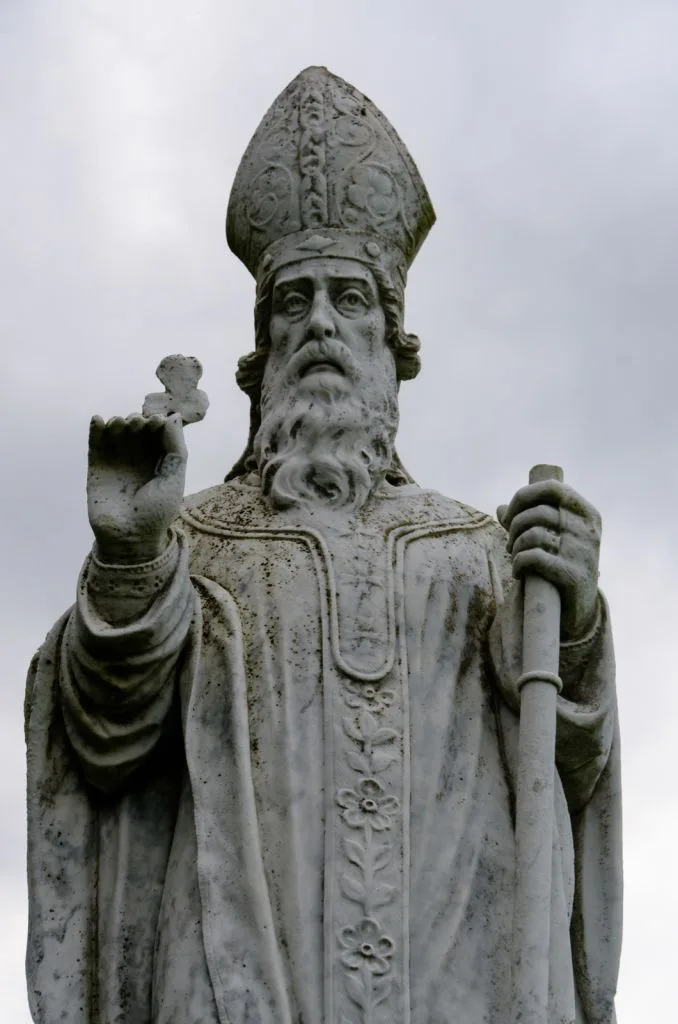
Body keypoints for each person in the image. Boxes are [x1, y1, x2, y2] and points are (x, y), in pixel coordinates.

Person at [25, 67, 621, 1024]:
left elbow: (566, 763)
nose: (321, 324)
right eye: (292, 303)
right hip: (234, 959)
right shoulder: (201, 541)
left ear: (394, 348)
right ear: (261, 358)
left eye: (350, 299)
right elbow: (104, 735)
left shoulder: (477, 551)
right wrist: (132, 564)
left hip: (452, 959)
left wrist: (577, 623)